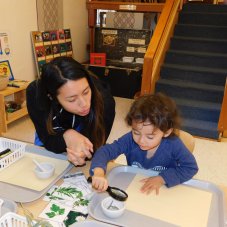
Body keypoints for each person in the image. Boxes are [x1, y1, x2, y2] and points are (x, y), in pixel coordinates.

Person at [89, 93, 198, 194]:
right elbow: (105, 151)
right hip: (135, 186)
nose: (141, 141)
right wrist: (98, 172)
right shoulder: (129, 140)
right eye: (136, 132)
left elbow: (190, 168)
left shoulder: (174, 144)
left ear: (166, 132)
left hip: (164, 190)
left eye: (150, 137)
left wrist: (162, 178)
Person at [26, 56, 115, 166]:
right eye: (72, 99)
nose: (84, 104)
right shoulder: (36, 94)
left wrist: (83, 153)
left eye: (86, 92)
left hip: (86, 126)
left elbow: (96, 143)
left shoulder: (104, 101)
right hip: (53, 129)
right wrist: (68, 135)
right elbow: (46, 137)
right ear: (52, 97)